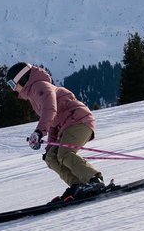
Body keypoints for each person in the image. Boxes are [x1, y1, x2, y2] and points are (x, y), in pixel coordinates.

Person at [7, 61, 106, 202]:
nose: (12, 89)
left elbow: (50, 110)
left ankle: (94, 180)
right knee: (51, 157)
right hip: (68, 126)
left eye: (12, 84)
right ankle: (78, 185)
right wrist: (49, 147)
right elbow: (53, 124)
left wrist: (39, 132)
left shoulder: (40, 86)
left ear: (22, 78)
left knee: (64, 154)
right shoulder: (34, 95)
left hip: (79, 121)